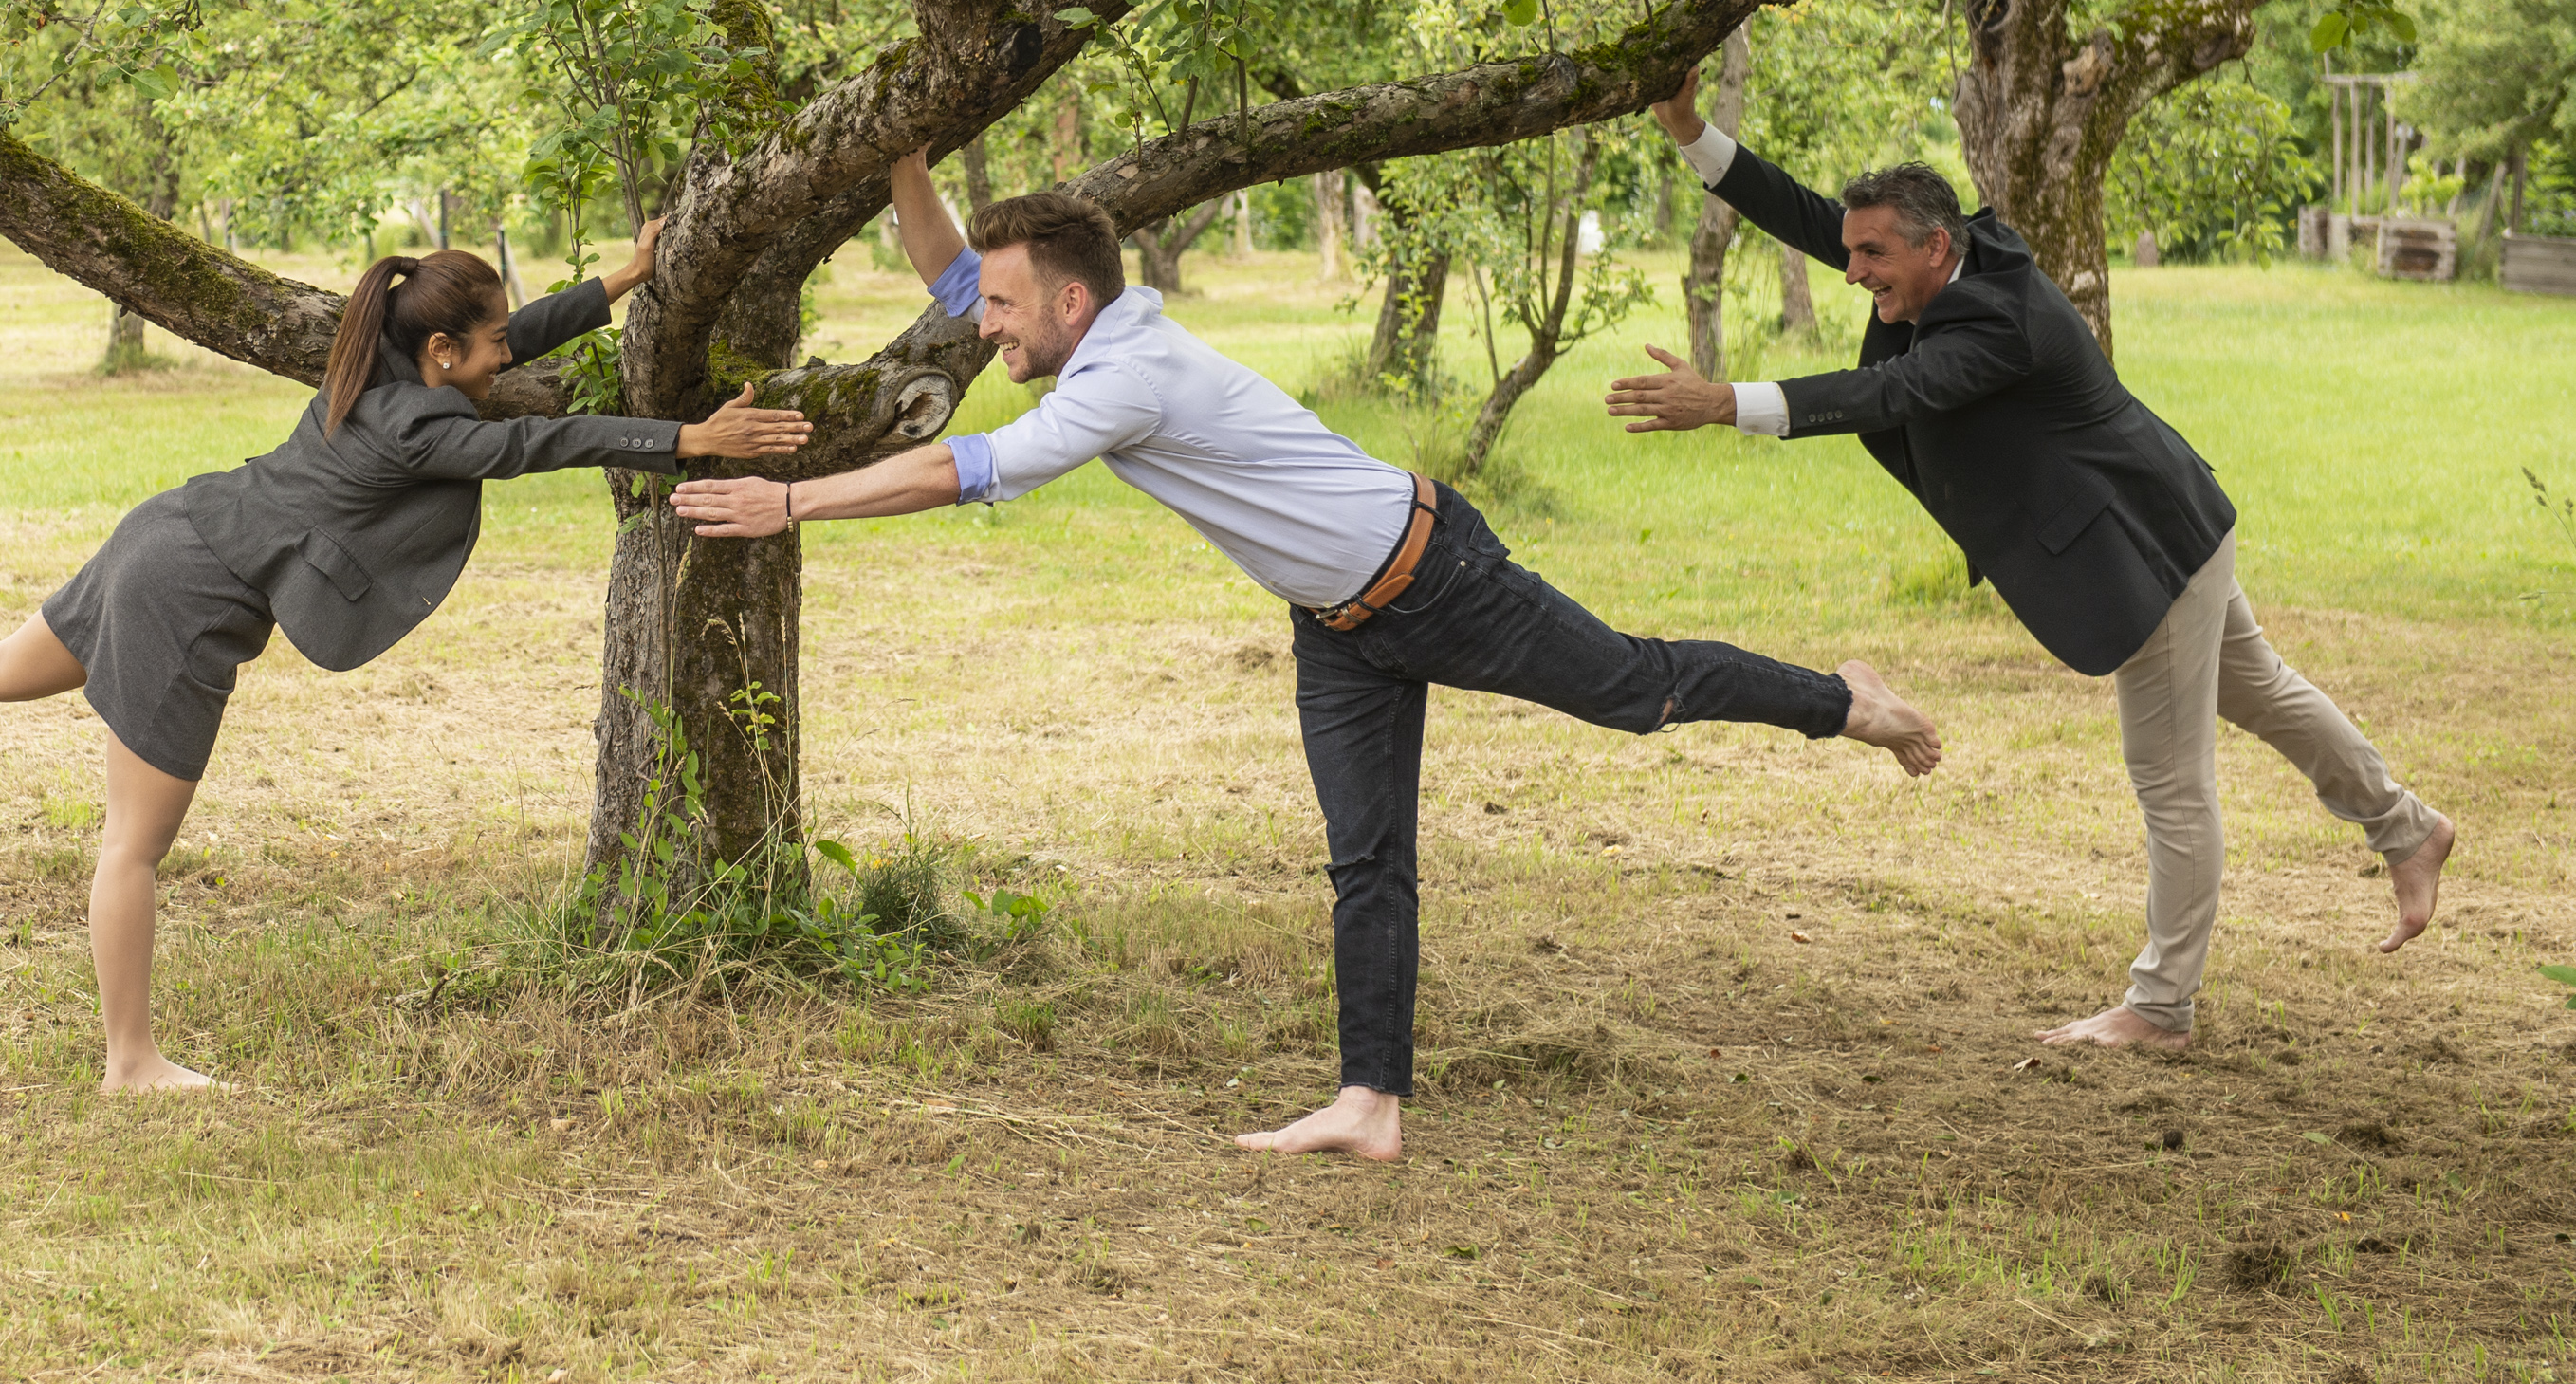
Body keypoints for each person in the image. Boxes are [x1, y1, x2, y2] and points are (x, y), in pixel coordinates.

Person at [670, 157, 1943, 1164]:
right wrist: (906, 155)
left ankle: (1847, 702)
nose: (978, 326)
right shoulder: (1089, 324)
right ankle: (1368, 1102)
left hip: (1435, 576)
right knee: (1366, 858)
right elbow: (954, 269)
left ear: (1067, 304)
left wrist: (790, 503)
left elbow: (971, 468)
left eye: (1003, 310)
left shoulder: (1126, 378)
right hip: (1336, 624)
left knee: (1636, 688)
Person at [0, 223, 810, 1094]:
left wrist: (618, 280)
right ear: (442, 352)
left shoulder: (386, 351)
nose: (504, 361)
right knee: (133, 845)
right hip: (188, 593)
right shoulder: (421, 427)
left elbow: (512, 338)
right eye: (489, 349)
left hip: (172, 526)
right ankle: (130, 1062)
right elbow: (540, 443)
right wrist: (688, 439)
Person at [1605, 69, 2453, 1053]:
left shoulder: (1997, 321)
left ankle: (2161, 1007)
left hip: (2141, 549)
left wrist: (1724, 403)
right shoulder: (1946, 252)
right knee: (2261, 689)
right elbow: (1803, 213)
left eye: (1872, 255)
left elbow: (1890, 396)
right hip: (2170, 515)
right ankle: (2408, 828)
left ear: (1934, 246)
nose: (1851, 272)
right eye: (1852, 251)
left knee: (2170, 780)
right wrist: (1688, 129)